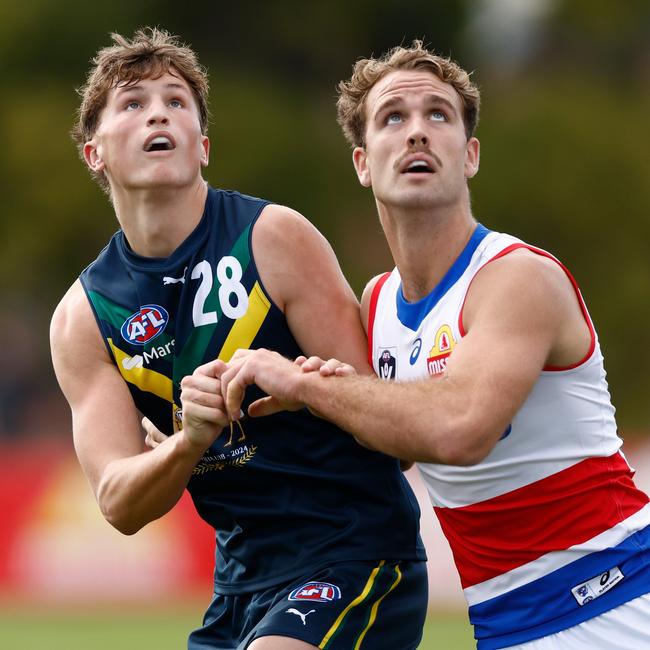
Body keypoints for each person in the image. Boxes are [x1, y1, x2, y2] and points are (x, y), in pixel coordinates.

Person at [214, 42, 650, 649]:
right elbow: (389, 442)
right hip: (506, 623)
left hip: (616, 602)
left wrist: (307, 384)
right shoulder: (376, 304)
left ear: (469, 155)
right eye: (394, 117)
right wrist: (194, 426)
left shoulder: (515, 277)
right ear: (363, 162)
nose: (417, 131)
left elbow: (458, 428)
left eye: (438, 115)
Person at [49, 28, 428, 650]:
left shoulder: (273, 236)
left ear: (202, 146)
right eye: (134, 104)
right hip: (241, 589)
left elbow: (388, 430)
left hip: (356, 555)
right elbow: (118, 502)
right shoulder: (83, 316)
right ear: (95, 153)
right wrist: (188, 443)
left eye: (176, 102)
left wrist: (295, 382)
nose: (158, 114)